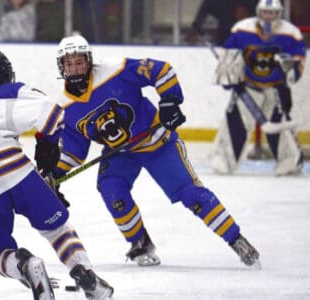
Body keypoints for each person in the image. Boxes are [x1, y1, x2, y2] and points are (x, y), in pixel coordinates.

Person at [38, 34, 260, 268]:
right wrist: (55, 174)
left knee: (191, 194)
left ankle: (236, 240)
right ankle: (140, 243)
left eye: (79, 61)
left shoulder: (116, 70)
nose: (75, 68)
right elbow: (74, 150)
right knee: (111, 189)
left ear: (89, 60)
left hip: (157, 142)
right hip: (121, 152)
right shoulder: (64, 106)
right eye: (69, 63)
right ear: (61, 66)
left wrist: (169, 101)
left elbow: (162, 70)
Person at [0, 50, 114, 300]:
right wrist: (47, 146)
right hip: (13, 168)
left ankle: (25, 265)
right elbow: (53, 114)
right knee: (57, 228)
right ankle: (85, 274)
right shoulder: (13, 90)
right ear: (7, 74)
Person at [210, 0, 306, 176]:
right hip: (247, 86)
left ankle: (290, 162)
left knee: (279, 126)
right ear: (258, 11)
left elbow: (299, 58)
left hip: (276, 88)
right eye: (264, 12)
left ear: (279, 13)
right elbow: (229, 52)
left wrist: (292, 72)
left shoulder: (291, 32)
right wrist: (228, 74)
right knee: (235, 122)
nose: (268, 17)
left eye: (272, 13)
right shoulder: (242, 28)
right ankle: (223, 161)